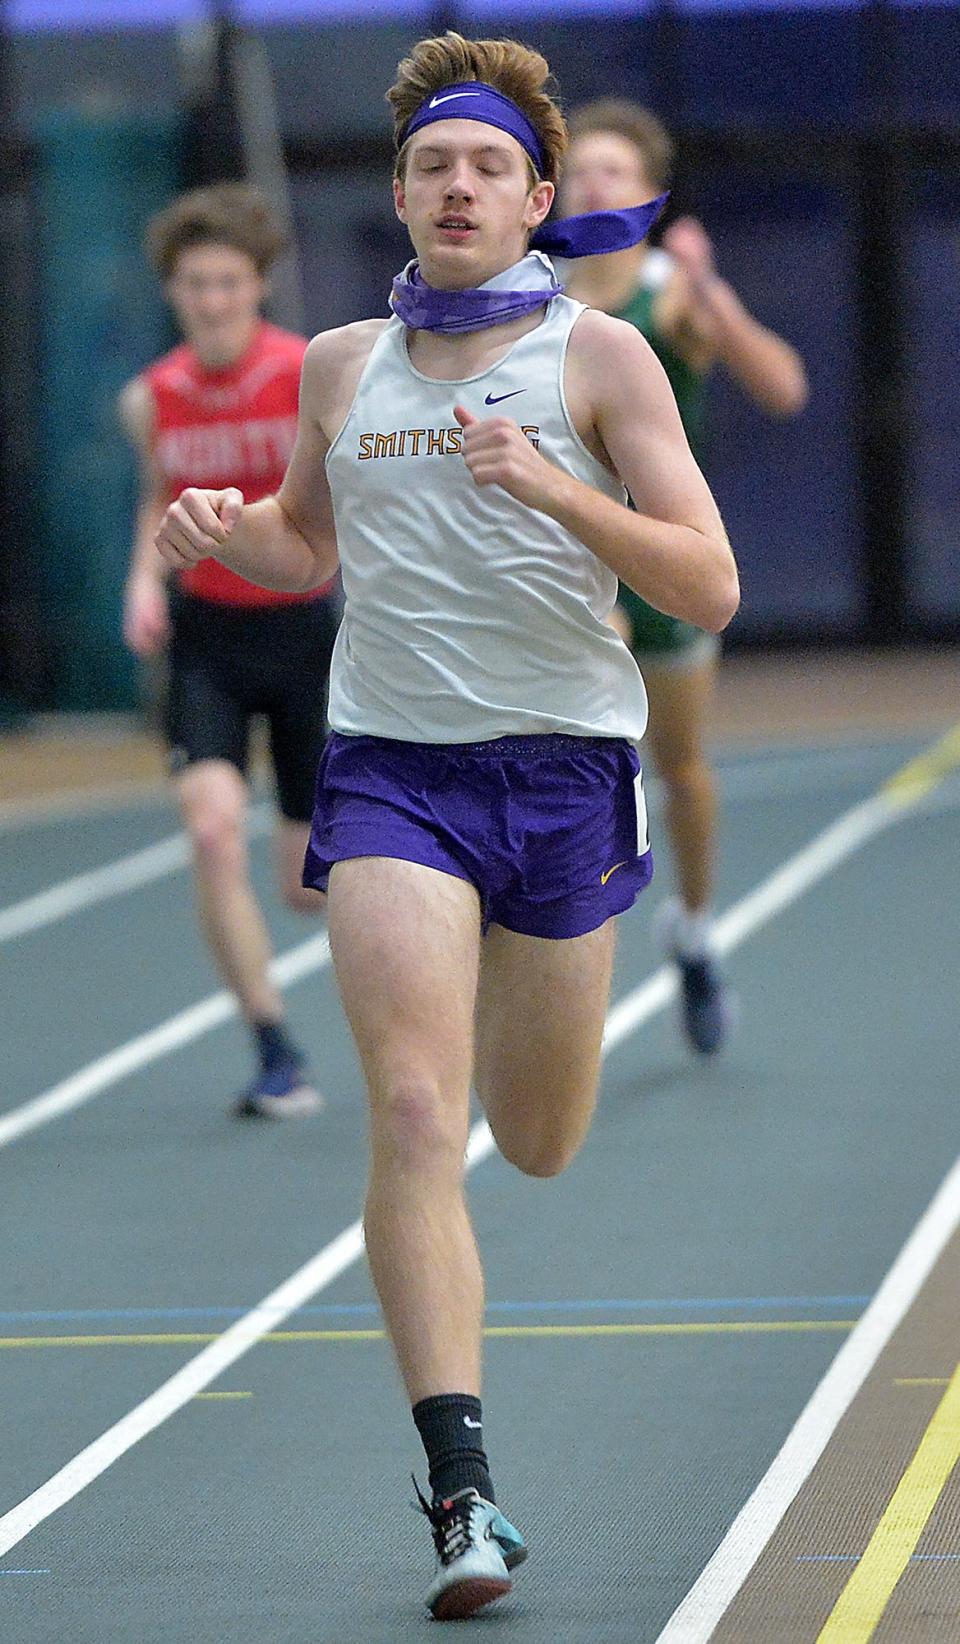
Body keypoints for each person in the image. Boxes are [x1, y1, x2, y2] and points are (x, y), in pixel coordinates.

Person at [155, 34, 739, 1619]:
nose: (458, 186)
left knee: (535, 1140)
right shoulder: (339, 366)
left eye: (486, 166)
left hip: (560, 774)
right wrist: (227, 535)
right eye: (430, 166)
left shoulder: (597, 360)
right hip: (393, 771)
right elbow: (301, 541)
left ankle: (511, 964)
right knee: (416, 1117)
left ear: (538, 197)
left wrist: (557, 493)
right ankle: (463, 1492)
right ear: (401, 197)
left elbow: (708, 584)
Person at [562, 100, 808, 1054]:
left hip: (665, 562)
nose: (595, 185)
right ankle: (563, 933)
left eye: (615, 172)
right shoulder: (533, 297)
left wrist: (720, 302)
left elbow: (785, 390)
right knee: (591, 752)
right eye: (581, 170)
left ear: (649, 195)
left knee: (685, 776)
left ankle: (695, 932)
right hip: (575, 566)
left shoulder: (671, 298)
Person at [121, 182, 340, 1118]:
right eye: (194, 284)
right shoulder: (153, 397)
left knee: (306, 885)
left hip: (302, 633)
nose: (211, 300)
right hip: (208, 635)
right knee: (211, 829)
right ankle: (273, 1048)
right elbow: (154, 496)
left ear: (257, 286)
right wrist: (141, 579)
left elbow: (338, 498)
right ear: (172, 292)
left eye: (228, 282)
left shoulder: (305, 374)